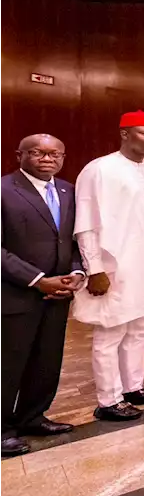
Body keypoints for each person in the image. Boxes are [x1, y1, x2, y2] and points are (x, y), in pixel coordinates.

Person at [74, 111, 144, 421]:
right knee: (110, 332)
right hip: (114, 267)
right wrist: (94, 268)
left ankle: (133, 387)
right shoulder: (100, 169)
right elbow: (86, 222)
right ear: (124, 134)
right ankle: (108, 401)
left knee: (139, 330)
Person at [0, 134, 82, 455]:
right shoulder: (4, 189)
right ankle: (3, 428)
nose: (48, 158)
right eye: (38, 152)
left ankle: (33, 416)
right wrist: (38, 280)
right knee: (8, 364)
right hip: (15, 294)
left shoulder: (68, 191)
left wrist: (76, 273)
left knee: (47, 360)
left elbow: (74, 241)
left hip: (58, 294)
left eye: (55, 154)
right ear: (20, 154)